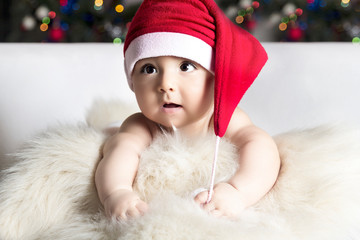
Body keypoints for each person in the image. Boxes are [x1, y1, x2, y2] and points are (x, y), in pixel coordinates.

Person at [95, 0, 280, 220]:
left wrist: (237, 192)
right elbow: (120, 152)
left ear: (215, 77)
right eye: (149, 68)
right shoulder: (142, 125)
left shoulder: (223, 119)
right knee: (115, 136)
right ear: (132, 81)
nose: (165, 84)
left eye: (185, 66)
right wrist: (117, 192)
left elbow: (263, 148)